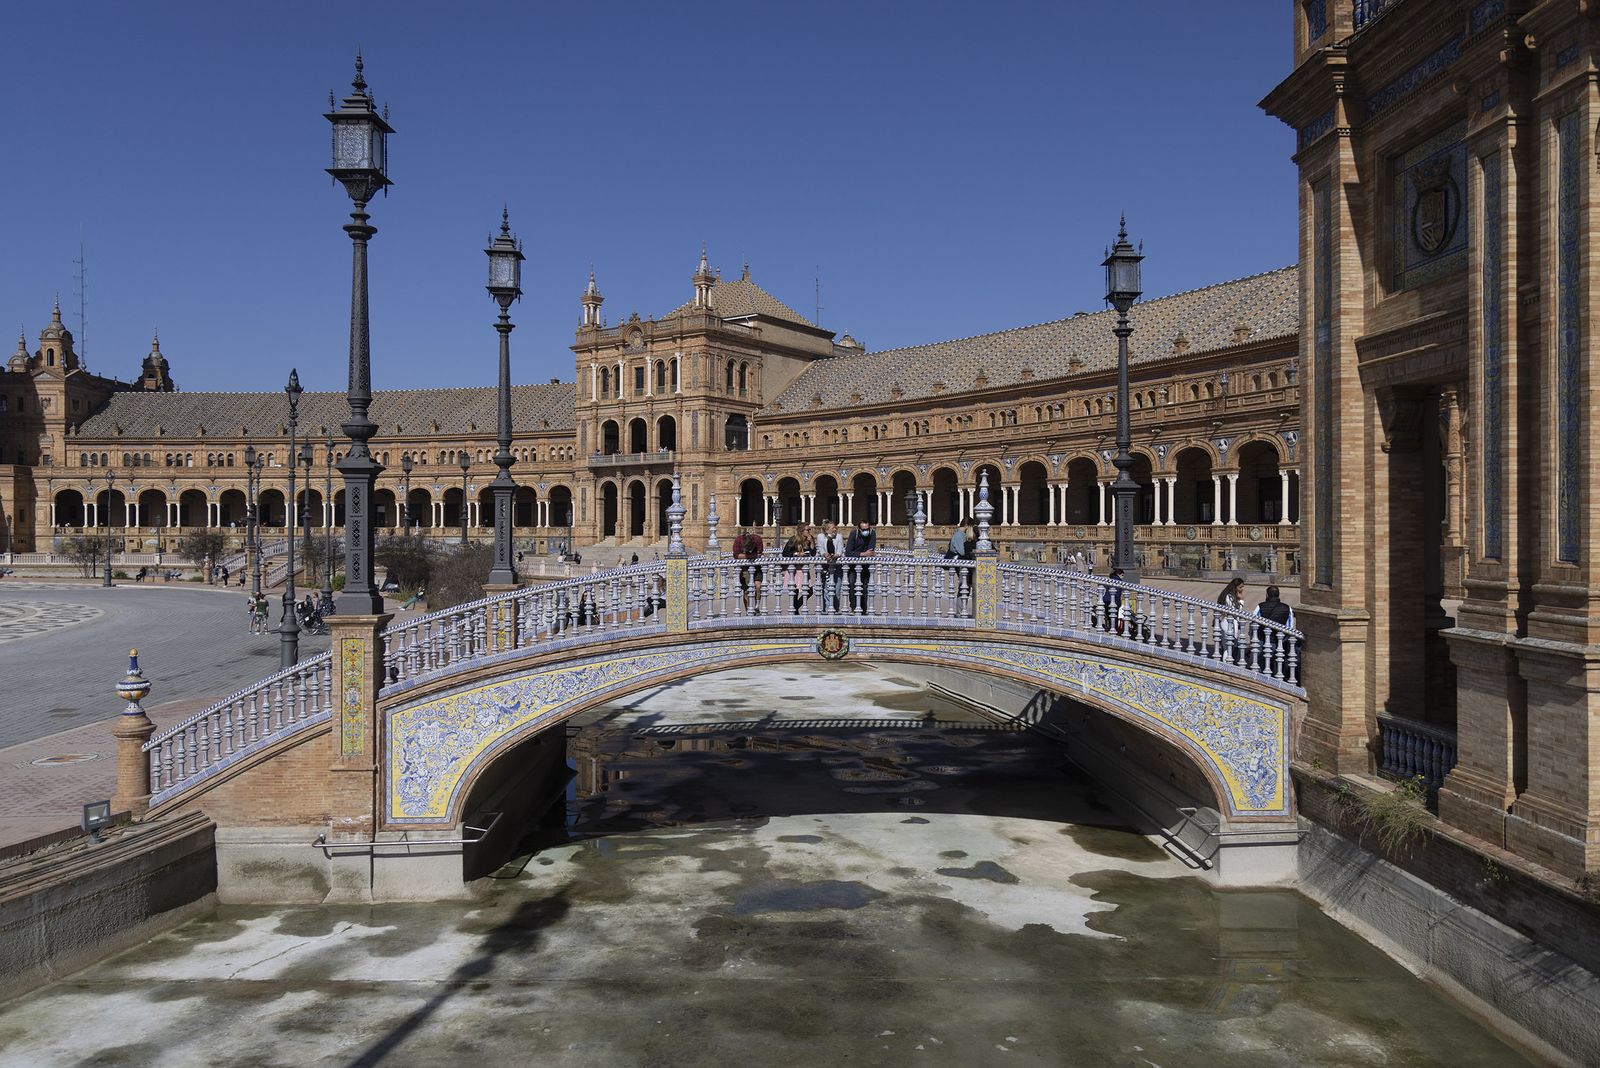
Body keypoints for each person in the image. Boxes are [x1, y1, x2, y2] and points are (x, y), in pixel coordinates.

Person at [781, 525, 815, 615]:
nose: (809, 531)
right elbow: (785, 553)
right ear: (801, 531)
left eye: (809, 529)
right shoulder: (794, 539)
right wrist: (797, 554)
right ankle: (795, 611)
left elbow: (813, 554)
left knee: (809, 591)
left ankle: (795, 607)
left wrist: (811, 542)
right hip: (795, 568)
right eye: (807, 530)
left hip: (804, 568)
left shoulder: (810, 539)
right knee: (795, 590)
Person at [845, 518, 877, 613]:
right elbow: (848, 552)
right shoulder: (854, 534)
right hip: (853, 565)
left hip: (865, 565)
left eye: (867, 529)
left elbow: (871, 551)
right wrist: (863, 554)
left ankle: (864, 609)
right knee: (852, 585)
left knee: (865, 586)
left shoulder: (872, 533)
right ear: (859, 529)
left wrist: (864, 554)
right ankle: (853, 607)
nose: (866, 531)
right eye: (863, 529)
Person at [732, 526, 765, 613]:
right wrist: (752, 556)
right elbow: (736, 555)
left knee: (758, 586)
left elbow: (760, 553)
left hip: (756, 567)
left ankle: (757, 606)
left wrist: (745, 556)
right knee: (746, 590)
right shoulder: (738, 540)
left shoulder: (757, 539)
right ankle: (748, 610)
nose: (748, 551)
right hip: (744, 568)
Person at [817, 519, 847, 612]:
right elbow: (821, 548)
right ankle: (826, 609)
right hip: (825, 565)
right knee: (826, 587)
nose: (835, 529)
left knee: (837, 588)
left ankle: (836, 608)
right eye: (833, 528)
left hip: (837, 565)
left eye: (835, 527)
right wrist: (824, 554)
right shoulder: (820, 536)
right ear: (827, 530)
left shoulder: (839, 536)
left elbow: (840, 549)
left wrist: (836, 555)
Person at [1216, 577, 1246, 662]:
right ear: (1235, 587)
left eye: (1242, 587)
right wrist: (1241, 601)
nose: (1242, 589)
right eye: (1240, 587)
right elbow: (1236, 612)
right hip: (1228, 623)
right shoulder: (1229, 597)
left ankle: (1227, 663)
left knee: (1229, 647)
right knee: (1228, 648)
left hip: (1229, 623)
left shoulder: (1230, 596)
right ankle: (1226, 665)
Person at [1102, 567, 1127, 634]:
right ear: (1119, 574)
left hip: (1105, 600)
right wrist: (1119, 604)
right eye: (1122, 575)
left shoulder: (1110, 580)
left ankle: (1108, 628)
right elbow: (1117, 594)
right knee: (1114, 616)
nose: (1122, 577)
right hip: (1113, 601)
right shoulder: (1118, 581)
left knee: (1108, 615)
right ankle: (1114, 630)